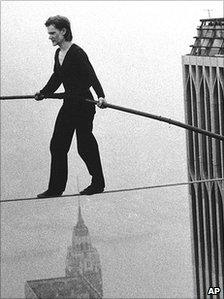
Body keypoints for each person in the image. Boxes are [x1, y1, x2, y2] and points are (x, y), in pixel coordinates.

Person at [35, 15, 106, 198]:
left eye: (52, 33)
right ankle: (56, 189)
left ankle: (98, 183)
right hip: (69, 104)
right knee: (57, 145)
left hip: (83, 104)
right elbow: (56, 78)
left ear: (63, 31)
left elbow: (91, 76)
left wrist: (101, 96)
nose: (49, 37)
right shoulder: (58, 53)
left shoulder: (77, 52)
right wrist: (43, 93)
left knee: (84, 145)